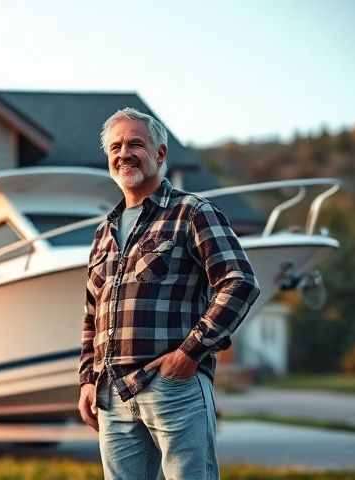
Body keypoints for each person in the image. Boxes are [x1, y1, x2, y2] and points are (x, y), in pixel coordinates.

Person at [78, 107, 261, 479]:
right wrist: (86, 379)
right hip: (112, 394)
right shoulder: (104, 231)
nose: (124, 153)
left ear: (160, 154)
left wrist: (189, 353)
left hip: (172, 386)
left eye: (135, 144)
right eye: (115, 146)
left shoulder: (192, 212)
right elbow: (91, 313)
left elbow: (239, 282)